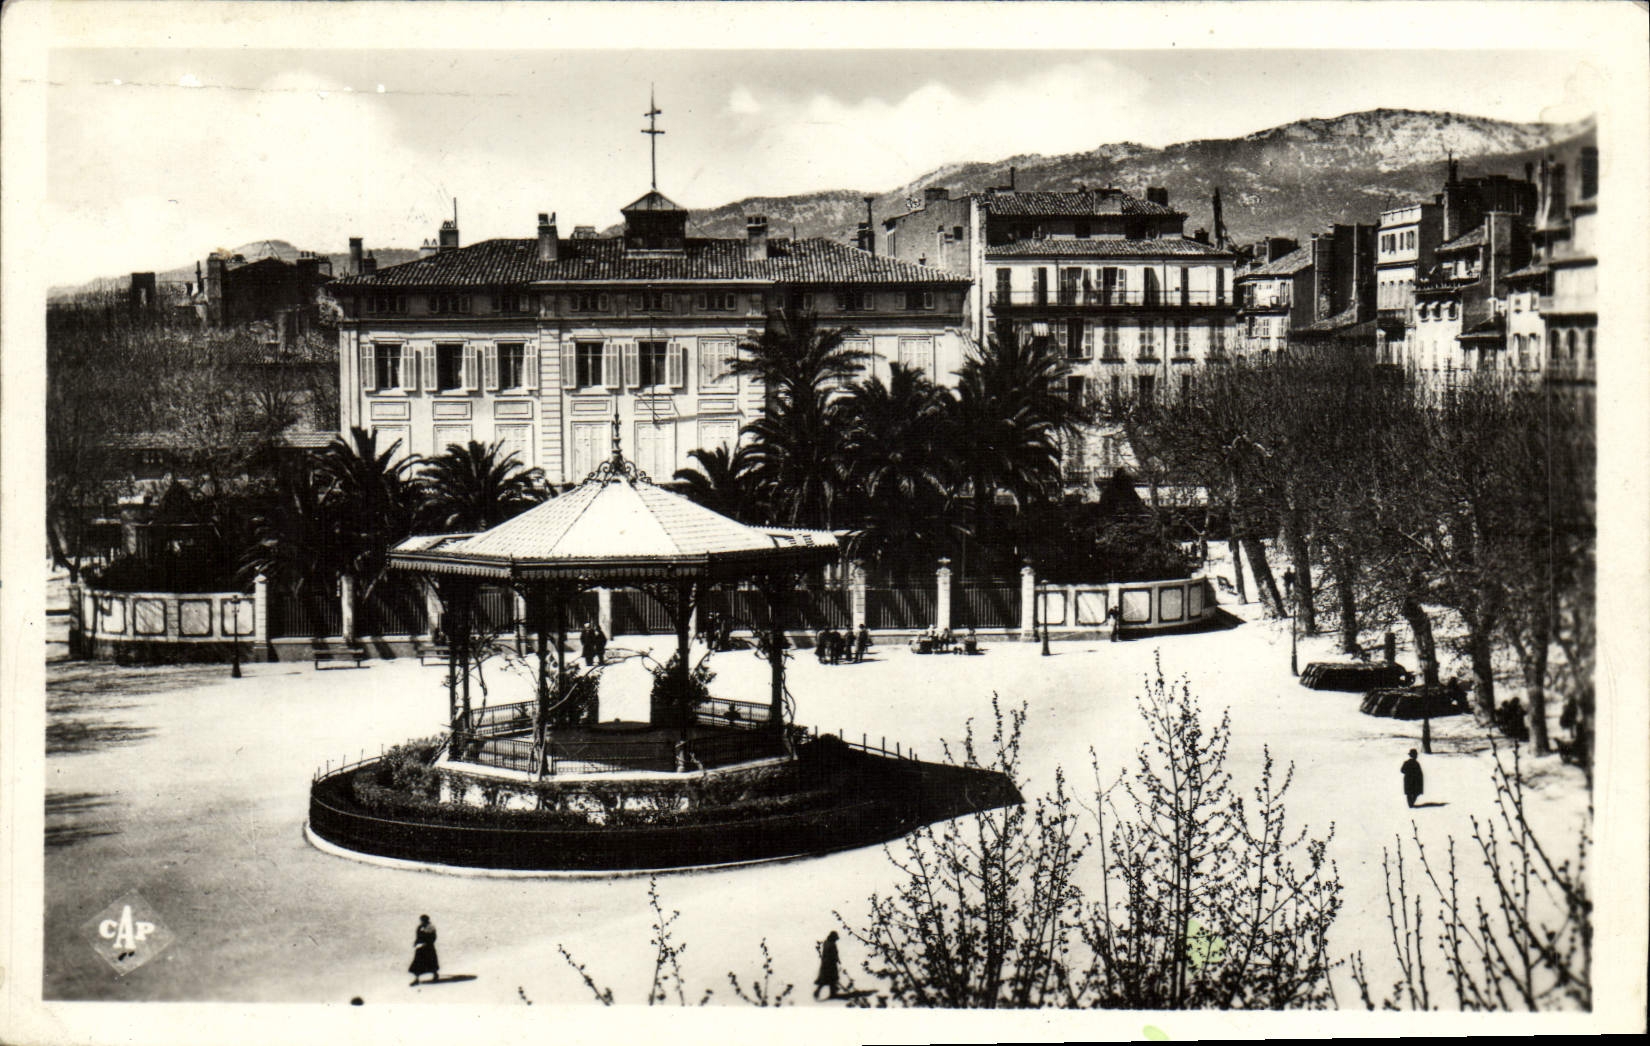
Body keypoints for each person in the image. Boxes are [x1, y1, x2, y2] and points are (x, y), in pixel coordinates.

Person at [409, 915, 439, 986]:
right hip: (420, 948)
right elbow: (418, 936)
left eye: (423, 920)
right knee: (418, 963)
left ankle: (435, 975)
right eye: (421, 920)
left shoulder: (430, 927)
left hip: (428, 948)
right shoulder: (420, 927)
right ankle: (416, 979)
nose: (421, 921)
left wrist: (427, 943)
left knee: (431, 962)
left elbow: (433, 937)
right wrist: (416, 942)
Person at [814, 930, 840, 1000]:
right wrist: (837, 959)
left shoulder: (826, 943)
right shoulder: (832, 944)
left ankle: (832, 993)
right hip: (830, 964)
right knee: (831, 978)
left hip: (826, 963)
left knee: (828, 979)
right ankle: (831, 993)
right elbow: (834, 954)